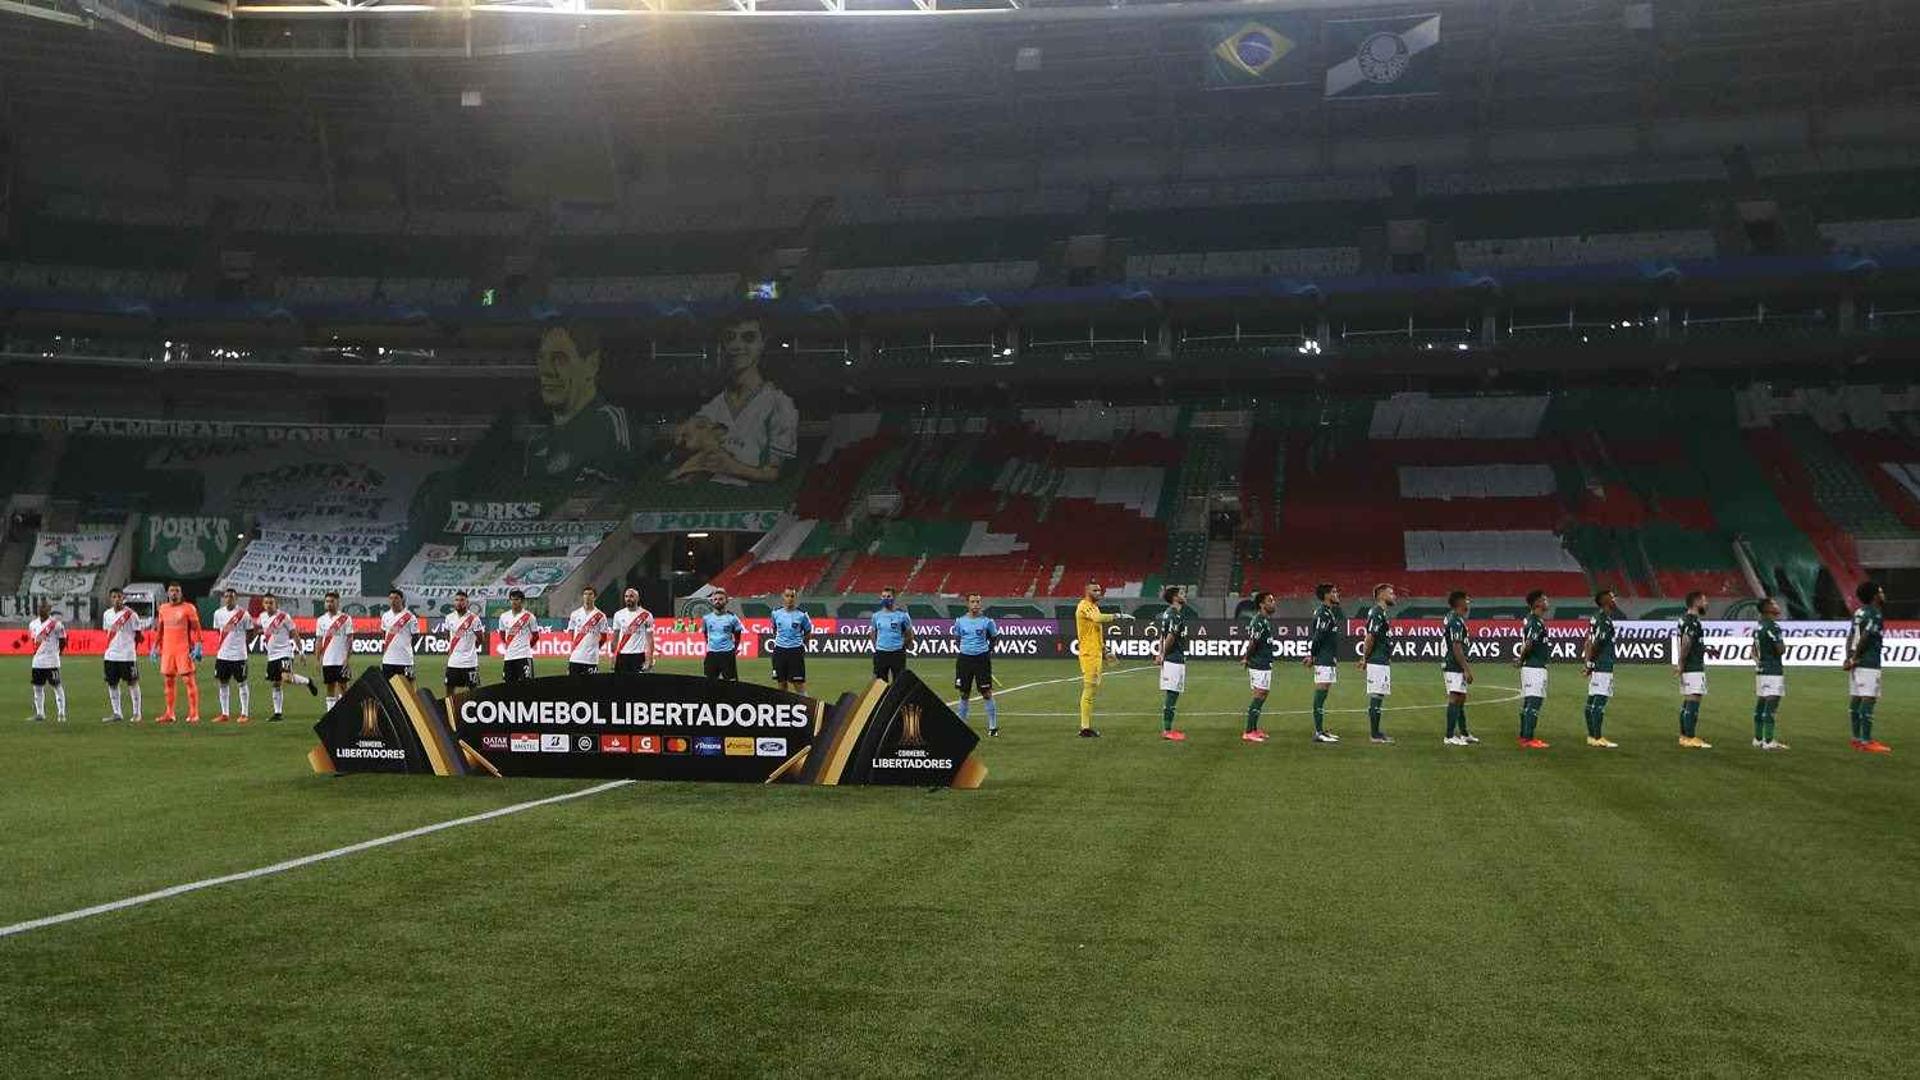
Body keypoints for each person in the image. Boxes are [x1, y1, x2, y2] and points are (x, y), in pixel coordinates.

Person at [673, 317, 799, 485]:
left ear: (763, 344)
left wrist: (733, 467)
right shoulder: (713, 404)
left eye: (748, 337)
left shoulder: (780, 403)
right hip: (707, 497)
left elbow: (775, 475)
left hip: (754, 502)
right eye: (730, 337)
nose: (737, 345)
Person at [524, 323, 632, 483]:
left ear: (592, 364)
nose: (546, 370)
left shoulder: (610, 422)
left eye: (559, 359)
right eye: (541, 358)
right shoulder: (537, 445)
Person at [1074, 579, 1133, 738]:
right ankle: (1085, 728)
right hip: (1088, 654)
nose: (1098, 593)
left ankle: (1085, 727)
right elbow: (1097, 619)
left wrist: (1106, 650)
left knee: (1092, 689)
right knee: (1089, 688)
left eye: (1100, 590)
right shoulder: (1084, 606)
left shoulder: (1094, 607)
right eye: (1095, 591)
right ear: (1087, 592)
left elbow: (1097, 632)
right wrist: (1118, 616)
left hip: (1096, 653)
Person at [1845, 580, 1892, 753]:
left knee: (1857, 699)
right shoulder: (1875, 614)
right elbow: (1865, 636)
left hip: (1857, 663)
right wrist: (1856, 657)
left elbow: (1851, 635)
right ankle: (1866, 741)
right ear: (1875, 596)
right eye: (1881, 591)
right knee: (1868, 699)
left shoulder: (1859, 612)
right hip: (1868, 662)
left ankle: (1856, 739)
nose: (1883, 594)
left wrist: (1848, 658)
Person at [256, 592, 317, 723]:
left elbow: (295, 635)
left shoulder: (284, 617)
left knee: (287, 678)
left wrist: (301, 653)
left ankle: (308, 681)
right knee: (276, 683)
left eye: (271, 603)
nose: (268, 605)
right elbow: (260, 630)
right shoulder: (261, 617)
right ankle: (278, 713)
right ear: (263, 604)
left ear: (276, 603)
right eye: (266, 603)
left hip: (284, 652)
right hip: (271, 656)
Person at [152, 581, 204, 724]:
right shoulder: (163, 608)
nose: (174, 593)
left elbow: (196, 628)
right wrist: (155, 646)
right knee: (168, 681)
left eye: (177, 591)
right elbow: (160, 630)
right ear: (168, 593)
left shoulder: (188, 608)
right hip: (168, 650)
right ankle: (169, 713)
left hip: (183, 649)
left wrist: (199, 645)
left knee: (188, 680)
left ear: (181, 593)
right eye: (172, 590)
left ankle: (194, 713)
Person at [1301, 582, 1343, 743]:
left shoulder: (1329, 613)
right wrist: (1312, 656)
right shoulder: (1323, 613)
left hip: (1328, 658)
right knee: (1320, 694)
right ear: (1326, 595)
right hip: (1323, 659)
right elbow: (1318, 635)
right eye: (1334, 591)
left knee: (1324, 694)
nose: (1337, 594)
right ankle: (1318, 732)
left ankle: (1321, 730)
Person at [1355, 583, 1396, 744]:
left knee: (1379, 695)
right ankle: (1374, 734)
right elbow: (1370, 636)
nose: (1394, 596)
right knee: (1377, 695)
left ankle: (1376, 732)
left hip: (1381, 659)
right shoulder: (1377, 612)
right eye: (1391, 593)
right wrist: (1365, 658)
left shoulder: (1382, 613)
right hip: (1377, 660)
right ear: (1381, 595)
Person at [954, 593, 1000, 737]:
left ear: (981, 604)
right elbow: (957, 638)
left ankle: (993, 726)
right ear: (968, 604)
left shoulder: (987, 622)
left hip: (982, 660)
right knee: (963, 693)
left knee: (986, 693)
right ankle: (961, 725)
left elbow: (994, 638)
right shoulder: (960, 621)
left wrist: (986, 652)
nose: (975, 604)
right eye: (973, 602)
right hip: (964, 660)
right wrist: (966, 650)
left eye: (978, 602)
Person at [1153, 585, 1195, 742]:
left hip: (1173, 658)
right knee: (1172, 694)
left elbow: (1162, 636)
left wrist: (1160, 652)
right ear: (1175, 597)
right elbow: (1170, 635)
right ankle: (1167, 730)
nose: (1185, 595)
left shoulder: (1169, 614)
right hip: (1173, 659)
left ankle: (1168, 729)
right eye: (1182, 593)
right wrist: (1163, 654)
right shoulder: (1174, 615)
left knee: (1173, 693)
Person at [100, 586, 147, 723]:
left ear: (123, 598)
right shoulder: (107, 614)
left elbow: (139, 635)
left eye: (119, 597)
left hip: (127, 655)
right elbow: (107, 632)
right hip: (110, 655)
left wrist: (132, 649)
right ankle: (117, 713)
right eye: (114, 597)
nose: (116, 600)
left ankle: (137, 713)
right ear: (110, 599)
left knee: (132, 683)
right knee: (112, 684)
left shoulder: (131, 615)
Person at [1239, 590, 1279, 743]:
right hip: (1259, 663)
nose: (1273, 603)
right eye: (1270, 600)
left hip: (1264, 662)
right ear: (1262, 604)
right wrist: (1246, 658)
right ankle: (1248, 731)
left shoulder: (1264, 620)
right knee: (1259, 694)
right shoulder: (1258, 621)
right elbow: (1252, 642)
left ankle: (1254, 729)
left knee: (1263, 694)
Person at [1582, 589, 1620, 749]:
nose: (1615, 600)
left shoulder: (1595, 618)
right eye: (1612, 598)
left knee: (1592, 700)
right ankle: (1597, 737)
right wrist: (1591, 663)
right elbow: (1596, 643)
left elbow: (1588, 642)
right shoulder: (1603, 620)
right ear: (1605, 601)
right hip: (1603, 664)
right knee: (1600, 700)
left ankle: (1592, 736)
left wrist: (1588, 663)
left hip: (1597, 664)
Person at [1673, 590, 1712, 749]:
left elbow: (1689, 643)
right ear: (1696, 602)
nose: (1706, 603)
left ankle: (1684, 736)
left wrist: (1705, 649)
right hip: (1692, 666)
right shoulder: (1692, 621)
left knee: (1688, 700)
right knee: (1694, 700)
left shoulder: (1685, 619)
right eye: (1704, 600)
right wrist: (1681, 664)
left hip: (1690, 665)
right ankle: (1690, 737)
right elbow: (1686, 642)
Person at [211, 587, 254, 724]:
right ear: (224, 598)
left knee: (242, 682)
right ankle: (225, 713)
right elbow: (219, 631)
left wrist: (242, 644)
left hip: (239, 655)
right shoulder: (218, 614)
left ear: (236, 598)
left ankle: (244, 713)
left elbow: (251, 632)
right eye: (227, 596)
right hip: (223, 655)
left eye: (232, 596)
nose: (229, 598)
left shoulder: (244, 614)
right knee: (223, 683)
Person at [1515, 589, 1552, 749]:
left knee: (1529, 701)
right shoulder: (1535, 622)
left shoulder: (1535, 620)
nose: (1547, 601)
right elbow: (1529, 643)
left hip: (1533, 666)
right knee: (1534, 701)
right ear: (1537, 603)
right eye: (1544, 599)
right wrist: (1521, 659)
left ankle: (1524, 735)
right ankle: (1528, 738)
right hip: (1534, 667)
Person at [1753, 597, 1789, 751]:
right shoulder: (1773, 627)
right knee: (1771, 705)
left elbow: (1752, 652)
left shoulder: (1759, 627)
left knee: (1761, 704)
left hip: (1761, 671)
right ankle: (1769, 741)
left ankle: (1758, 738)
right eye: (1774, 603)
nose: (1777, 605)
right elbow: (1780, 649)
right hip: (1773, 671)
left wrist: (1759, 662)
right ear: (1767, 608)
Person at [1442, 590, 1477, 746]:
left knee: (1461, 698)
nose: (1468, 602)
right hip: (1453, 664)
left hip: (1454, 663)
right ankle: (1449, 736)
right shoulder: (1455, 621)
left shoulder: (1455, 618)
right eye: (1466, 599)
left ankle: (1463, 733)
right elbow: (1456, 647)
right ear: (1459, 603)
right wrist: (1466, 669)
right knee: (1455, 697)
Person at [440, 591, 485, 704]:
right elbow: (446, 633)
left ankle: (476, 712)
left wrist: (472, 648)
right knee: (449, 689)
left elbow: (480, 638)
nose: (459, 603)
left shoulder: (474, 619)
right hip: (453, 662)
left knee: (474, 690)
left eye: (462, 600)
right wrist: (452, 645)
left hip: (470, 662)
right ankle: (451, 713)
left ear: (467, 602)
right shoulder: (449, 618)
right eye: (457, 600)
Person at [26, 599, 67, 723]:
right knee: (37, 688)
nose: (40, 609)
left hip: (52, 662)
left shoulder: (56, 624)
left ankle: (61, 713)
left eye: (43, 607)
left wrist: (58, 653)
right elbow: (33, 641)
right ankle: (40, 713)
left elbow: (63, 640)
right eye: (39, 607)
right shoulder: (32, 624)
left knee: (57, 686)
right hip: (37, 661)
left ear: (49, 609)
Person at [313, 591, 354, 710]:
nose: (329, 604)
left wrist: (347, 658)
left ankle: (346, 711)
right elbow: (319, 641)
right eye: (327, 601)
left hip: (341, 660)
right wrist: (317, 659)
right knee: (330, 687)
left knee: (344, 687)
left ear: (338, 602)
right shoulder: (321, 620)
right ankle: (330, 714)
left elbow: (350, 640)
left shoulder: (345, 619)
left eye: (332, 601)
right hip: (327, 660)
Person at [767, 588, 810, 692]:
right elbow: (774, 629)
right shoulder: (776, 613)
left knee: (798, 684)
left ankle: (805, 706)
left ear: (795, 598)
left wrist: (800, 645)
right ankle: (784, 706)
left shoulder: (802, 615)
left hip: (795, 651)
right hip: (779, 651)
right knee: (781, 683)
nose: (789, 598)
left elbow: (808, 632)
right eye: (787, 596)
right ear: (783, 597)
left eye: (792, 596)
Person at [870, 587, 913, 682]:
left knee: (898, 682)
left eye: (888, 596)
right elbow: (873, 633)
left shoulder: (902, 616)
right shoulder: (876, 616)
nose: (886, 599)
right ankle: (882, 697)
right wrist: (878, 646)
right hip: (881, 653)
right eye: (883, 596)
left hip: (897, 653)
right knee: (879, 683)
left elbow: (909, 634)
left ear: (894, 598)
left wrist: (901, 646)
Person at [497, 588, 541, 683]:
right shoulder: (503, 616)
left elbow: (536, 636)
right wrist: (506, 645)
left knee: (527, 685)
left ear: (522, 601)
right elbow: (501, 633)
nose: (514, 602)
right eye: (512, 599)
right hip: (509, 657)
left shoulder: (529, 616)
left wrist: (527, 647)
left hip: (524, 656)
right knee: (508, 685)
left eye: (517, 599)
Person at [611, 587, 657, 676]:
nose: (628, 598)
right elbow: (615, 637)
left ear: (637, 598)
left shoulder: (646, 615)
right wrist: (613, 656)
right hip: (622, 656)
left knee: (638, 687)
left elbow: (650, 640)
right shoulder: (618, 615)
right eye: (626, 596)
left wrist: (649, 659)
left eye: (631, 596)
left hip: (638, 656)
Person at [566, 586, 610, 677]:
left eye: (590, 594)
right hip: (575, 658)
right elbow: (571, 632)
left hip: (591, 659)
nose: (587, 596)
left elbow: (604, 637)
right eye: (585, 594)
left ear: (595, 597)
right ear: (582, 596)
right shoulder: (575, 614)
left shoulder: (600, 616)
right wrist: (576, 646)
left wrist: (594, 647)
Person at [702, 591, 745, 681]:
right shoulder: (707, 618)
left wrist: (733, 649)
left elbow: (737, 637)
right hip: (711, 654)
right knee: (709, 684)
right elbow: (705, 635)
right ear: (712, 601)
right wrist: (710, 646)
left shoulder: (732, 618)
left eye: (721, 599)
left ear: (726, 601)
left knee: (731, 684)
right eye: (715, 599)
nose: (717, 601)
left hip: (727, 654)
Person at [379, 590, 418, 683]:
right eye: (391, 598)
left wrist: (406, 648)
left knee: (408, 689)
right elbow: (384, 634)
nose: (393, 601)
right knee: (388, 689)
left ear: (402, 600)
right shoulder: (385, 616)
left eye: (396, 598)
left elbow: (416, 637)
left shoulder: (410, 617)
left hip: (405, 660)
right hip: (388, 660)